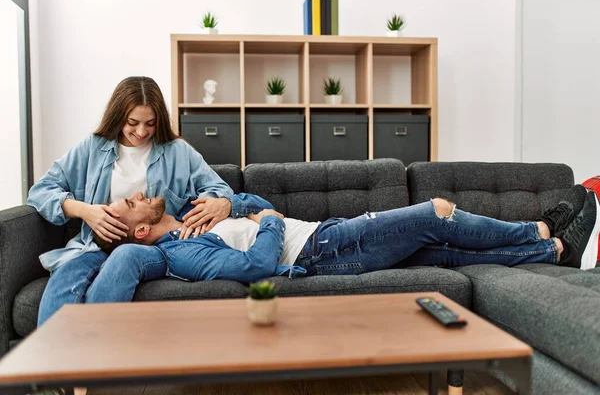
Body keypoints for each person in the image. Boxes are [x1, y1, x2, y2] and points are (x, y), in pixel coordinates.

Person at [27, 76, 260, 326]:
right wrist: (85, 211)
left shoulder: (177, 151)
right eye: (132, 123)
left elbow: (217, 188)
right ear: (118, 117)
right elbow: (41, 191)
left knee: (125, 257)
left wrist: (221, 204)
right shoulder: (93, 148)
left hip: (157, 247)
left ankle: (96, 351)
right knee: (67, 273)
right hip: (96, 245)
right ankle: (52, 360)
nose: (141, 132)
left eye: (150, 123)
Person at [94, 185, 599, 285]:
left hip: (323, 234)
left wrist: (239, 205)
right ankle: (539, 227)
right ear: (140, 229)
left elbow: (259, 205)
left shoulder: (194, 209)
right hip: (323, 251)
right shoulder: (181, 254)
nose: (138, 193)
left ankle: (552, 252)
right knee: (435, 212)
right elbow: (257, 266)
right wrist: (267, 223)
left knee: (440, 256)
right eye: (130, 202)